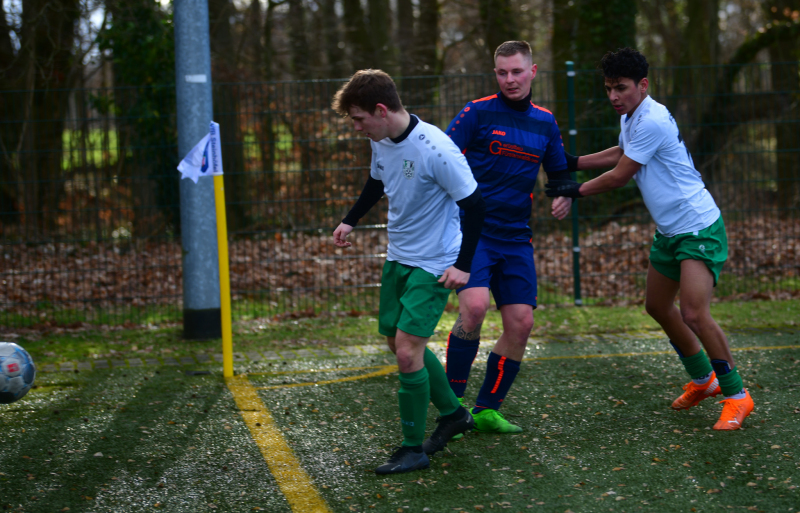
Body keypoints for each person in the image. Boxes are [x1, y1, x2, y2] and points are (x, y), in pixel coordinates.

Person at [545, 47, 753, 431]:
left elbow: (620, 175)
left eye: (620, 88)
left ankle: (737, 395)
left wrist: (571, 190)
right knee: (657, 306)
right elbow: (621, 152)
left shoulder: (652, 119)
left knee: (693, 312)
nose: (613, 96)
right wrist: (572, 162)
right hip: (670, 231)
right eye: (608, 88)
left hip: (698, 227)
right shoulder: (633, 116)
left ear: (642, 85)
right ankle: (704, 380)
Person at [331, 69, 487, 474]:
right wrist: (351, 220)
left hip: (435, 263)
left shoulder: (437, 149)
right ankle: (454, 415)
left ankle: (412, 449)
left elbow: (475, 206)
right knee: (394, 340)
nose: (356, 127)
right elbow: (376, 182)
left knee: (406, 351)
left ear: (381, 110)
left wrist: (463, 266)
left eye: (359, 118)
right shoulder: (381, 139)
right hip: (398, 256)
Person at [432, 40, 573, 443]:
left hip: (516, 238)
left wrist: (562, 192)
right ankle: (451, 411)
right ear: (495, 74)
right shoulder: (476, 112)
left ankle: (487, 409)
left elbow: (558, 168)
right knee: (474, 310)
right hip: (473, 234)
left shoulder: (545, 122)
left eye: (516, 71)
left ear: (532, 72)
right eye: (501, 72)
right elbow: (441, 157)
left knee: (521, 323)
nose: (509, 79)